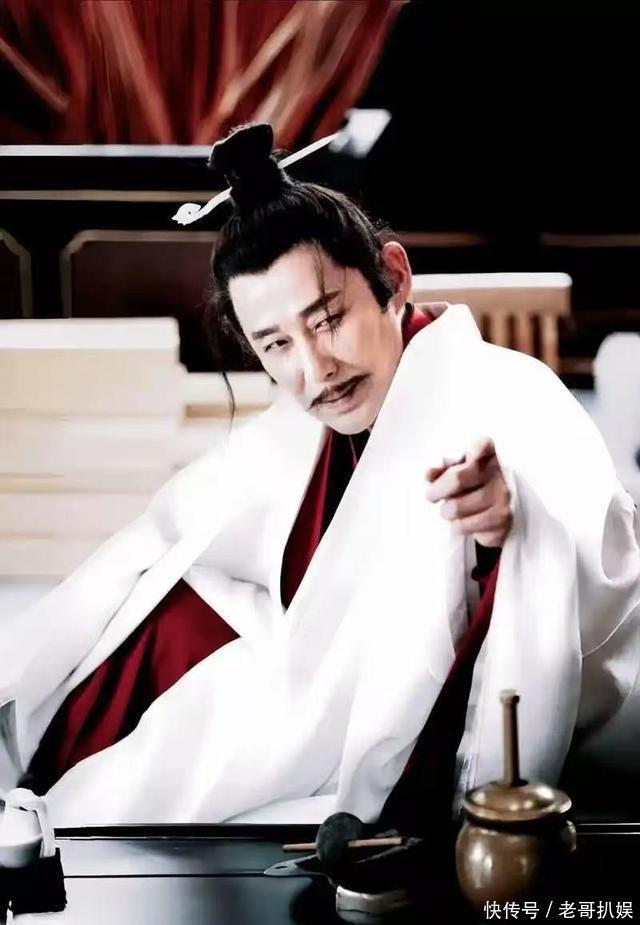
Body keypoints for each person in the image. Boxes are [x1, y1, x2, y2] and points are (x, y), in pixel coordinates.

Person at [1, 123, 639, 828]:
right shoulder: (305, 421)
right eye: (277, 344)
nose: (315, 369)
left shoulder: (510, 393)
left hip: (419, 697)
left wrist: (506, 525)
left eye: (329, 319)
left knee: (182, 750)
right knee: (143, 611)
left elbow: (593, 553)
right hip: (321, 662)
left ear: (393, 278)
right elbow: (191, 526)